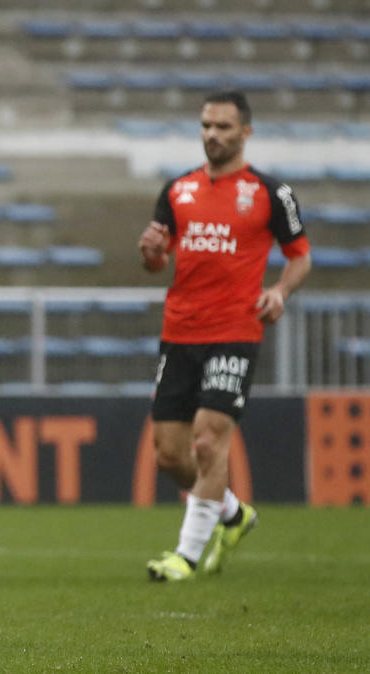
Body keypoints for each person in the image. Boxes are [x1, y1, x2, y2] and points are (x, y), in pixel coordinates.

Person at [139, 90, 312, 582]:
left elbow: (300, 255)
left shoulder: (269, 192)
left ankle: (186, 557)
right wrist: (150, 252)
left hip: (235, 330)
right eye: (206, 126)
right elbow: (157, 261)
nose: (213, 135)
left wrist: (279, 291)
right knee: (169, 455)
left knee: (209, 444)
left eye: (223, 127)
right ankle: (232, 513)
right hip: (180, 331)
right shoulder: (178, 190)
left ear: (246, 132)